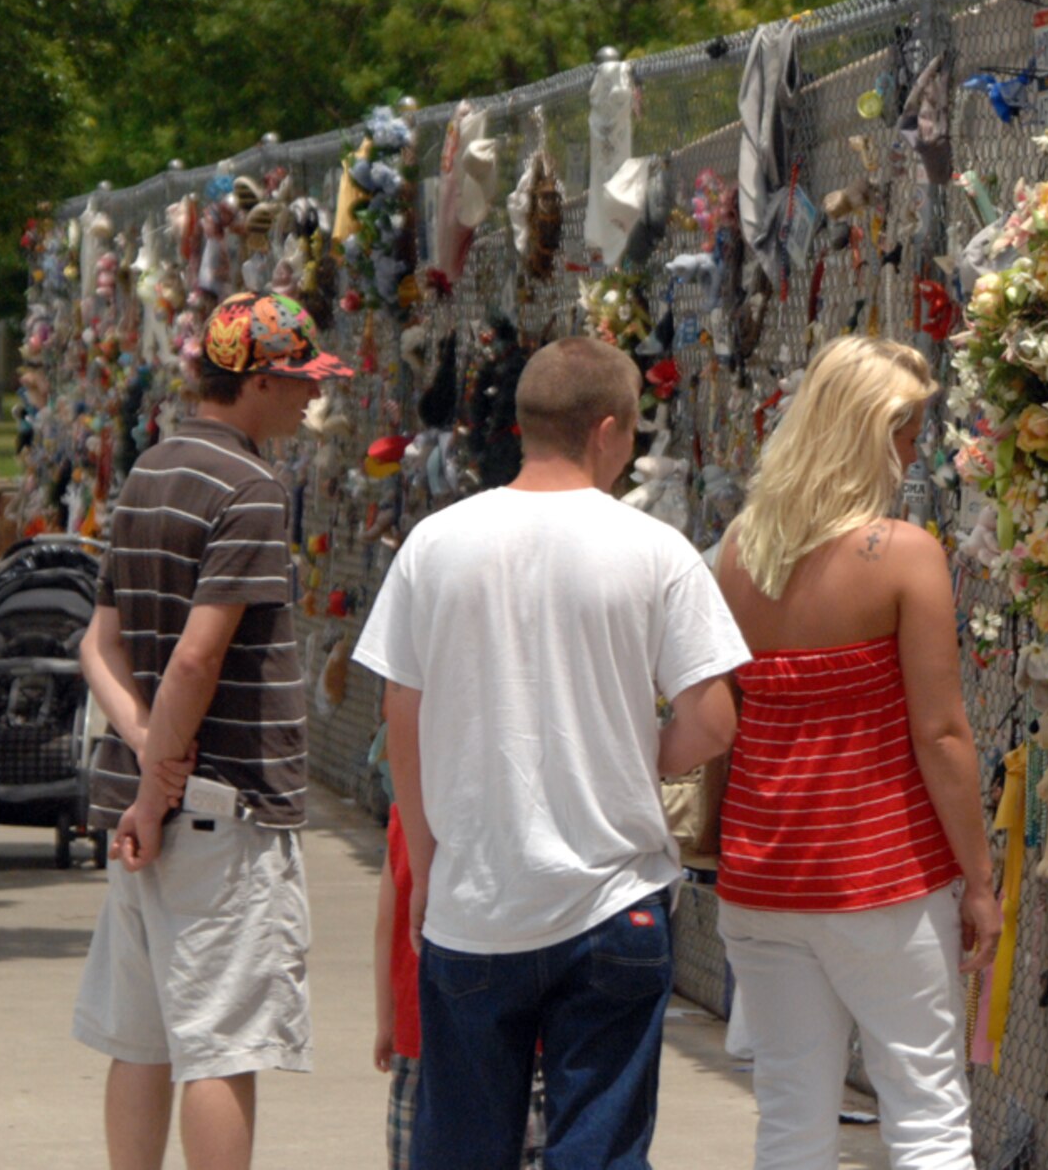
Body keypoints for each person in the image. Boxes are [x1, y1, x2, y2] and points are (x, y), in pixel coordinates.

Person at [354, 336, 747, 1170]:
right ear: (607, 429)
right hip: (616, 899)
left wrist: (425, 869)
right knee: (599, 1149)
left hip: (476, 899)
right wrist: (635, 758)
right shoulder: (657, 551)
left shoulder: (436, 544)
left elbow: (402, 714)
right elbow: (713, 721)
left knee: (460, 1147)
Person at [73, 290, 350, 1170]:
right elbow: (198, 657)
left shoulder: (150, 469)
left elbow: (99, 644)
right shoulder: (252, 486)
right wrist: (161, 782)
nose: (311, 397)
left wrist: (146, 760)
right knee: (224, 1045)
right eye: (301, 379)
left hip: (150, 799)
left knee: (145, 1032)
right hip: (219, 805)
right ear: (258, 379)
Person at [711, 336, 1000, 1170]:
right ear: (870, 432)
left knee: (791, 1115)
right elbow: (941, 733)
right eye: (907, 432)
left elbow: (729, 709)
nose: (916, 453)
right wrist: (978, 882)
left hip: (763, 873)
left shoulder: (740, 553)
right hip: (883, 876)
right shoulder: (904, 554)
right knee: (927, 1115)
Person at [375, 809, 546, 1170]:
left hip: (418, 1029)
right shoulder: (512, 812)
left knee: (417, 1152)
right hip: (513, 1030)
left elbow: (386, 926)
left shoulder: (406, 818)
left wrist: (386, 1021)